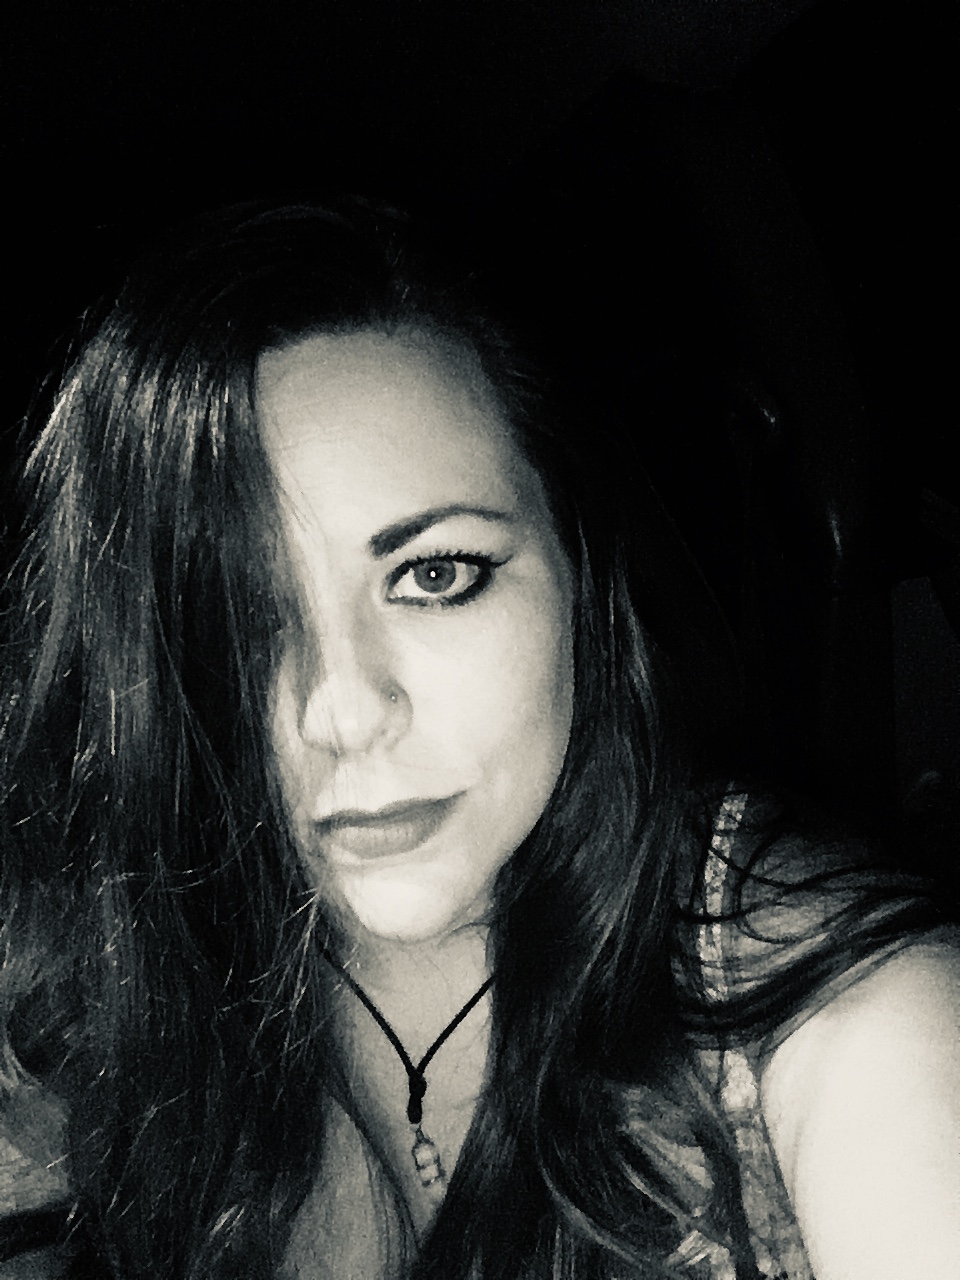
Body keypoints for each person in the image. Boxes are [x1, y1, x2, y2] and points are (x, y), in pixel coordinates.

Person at [0, 200, 957, 1280]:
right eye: (235, 613)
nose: (345, 710)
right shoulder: (93, 982)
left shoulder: (849, 1020)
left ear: (578, 571)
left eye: (435, 574)